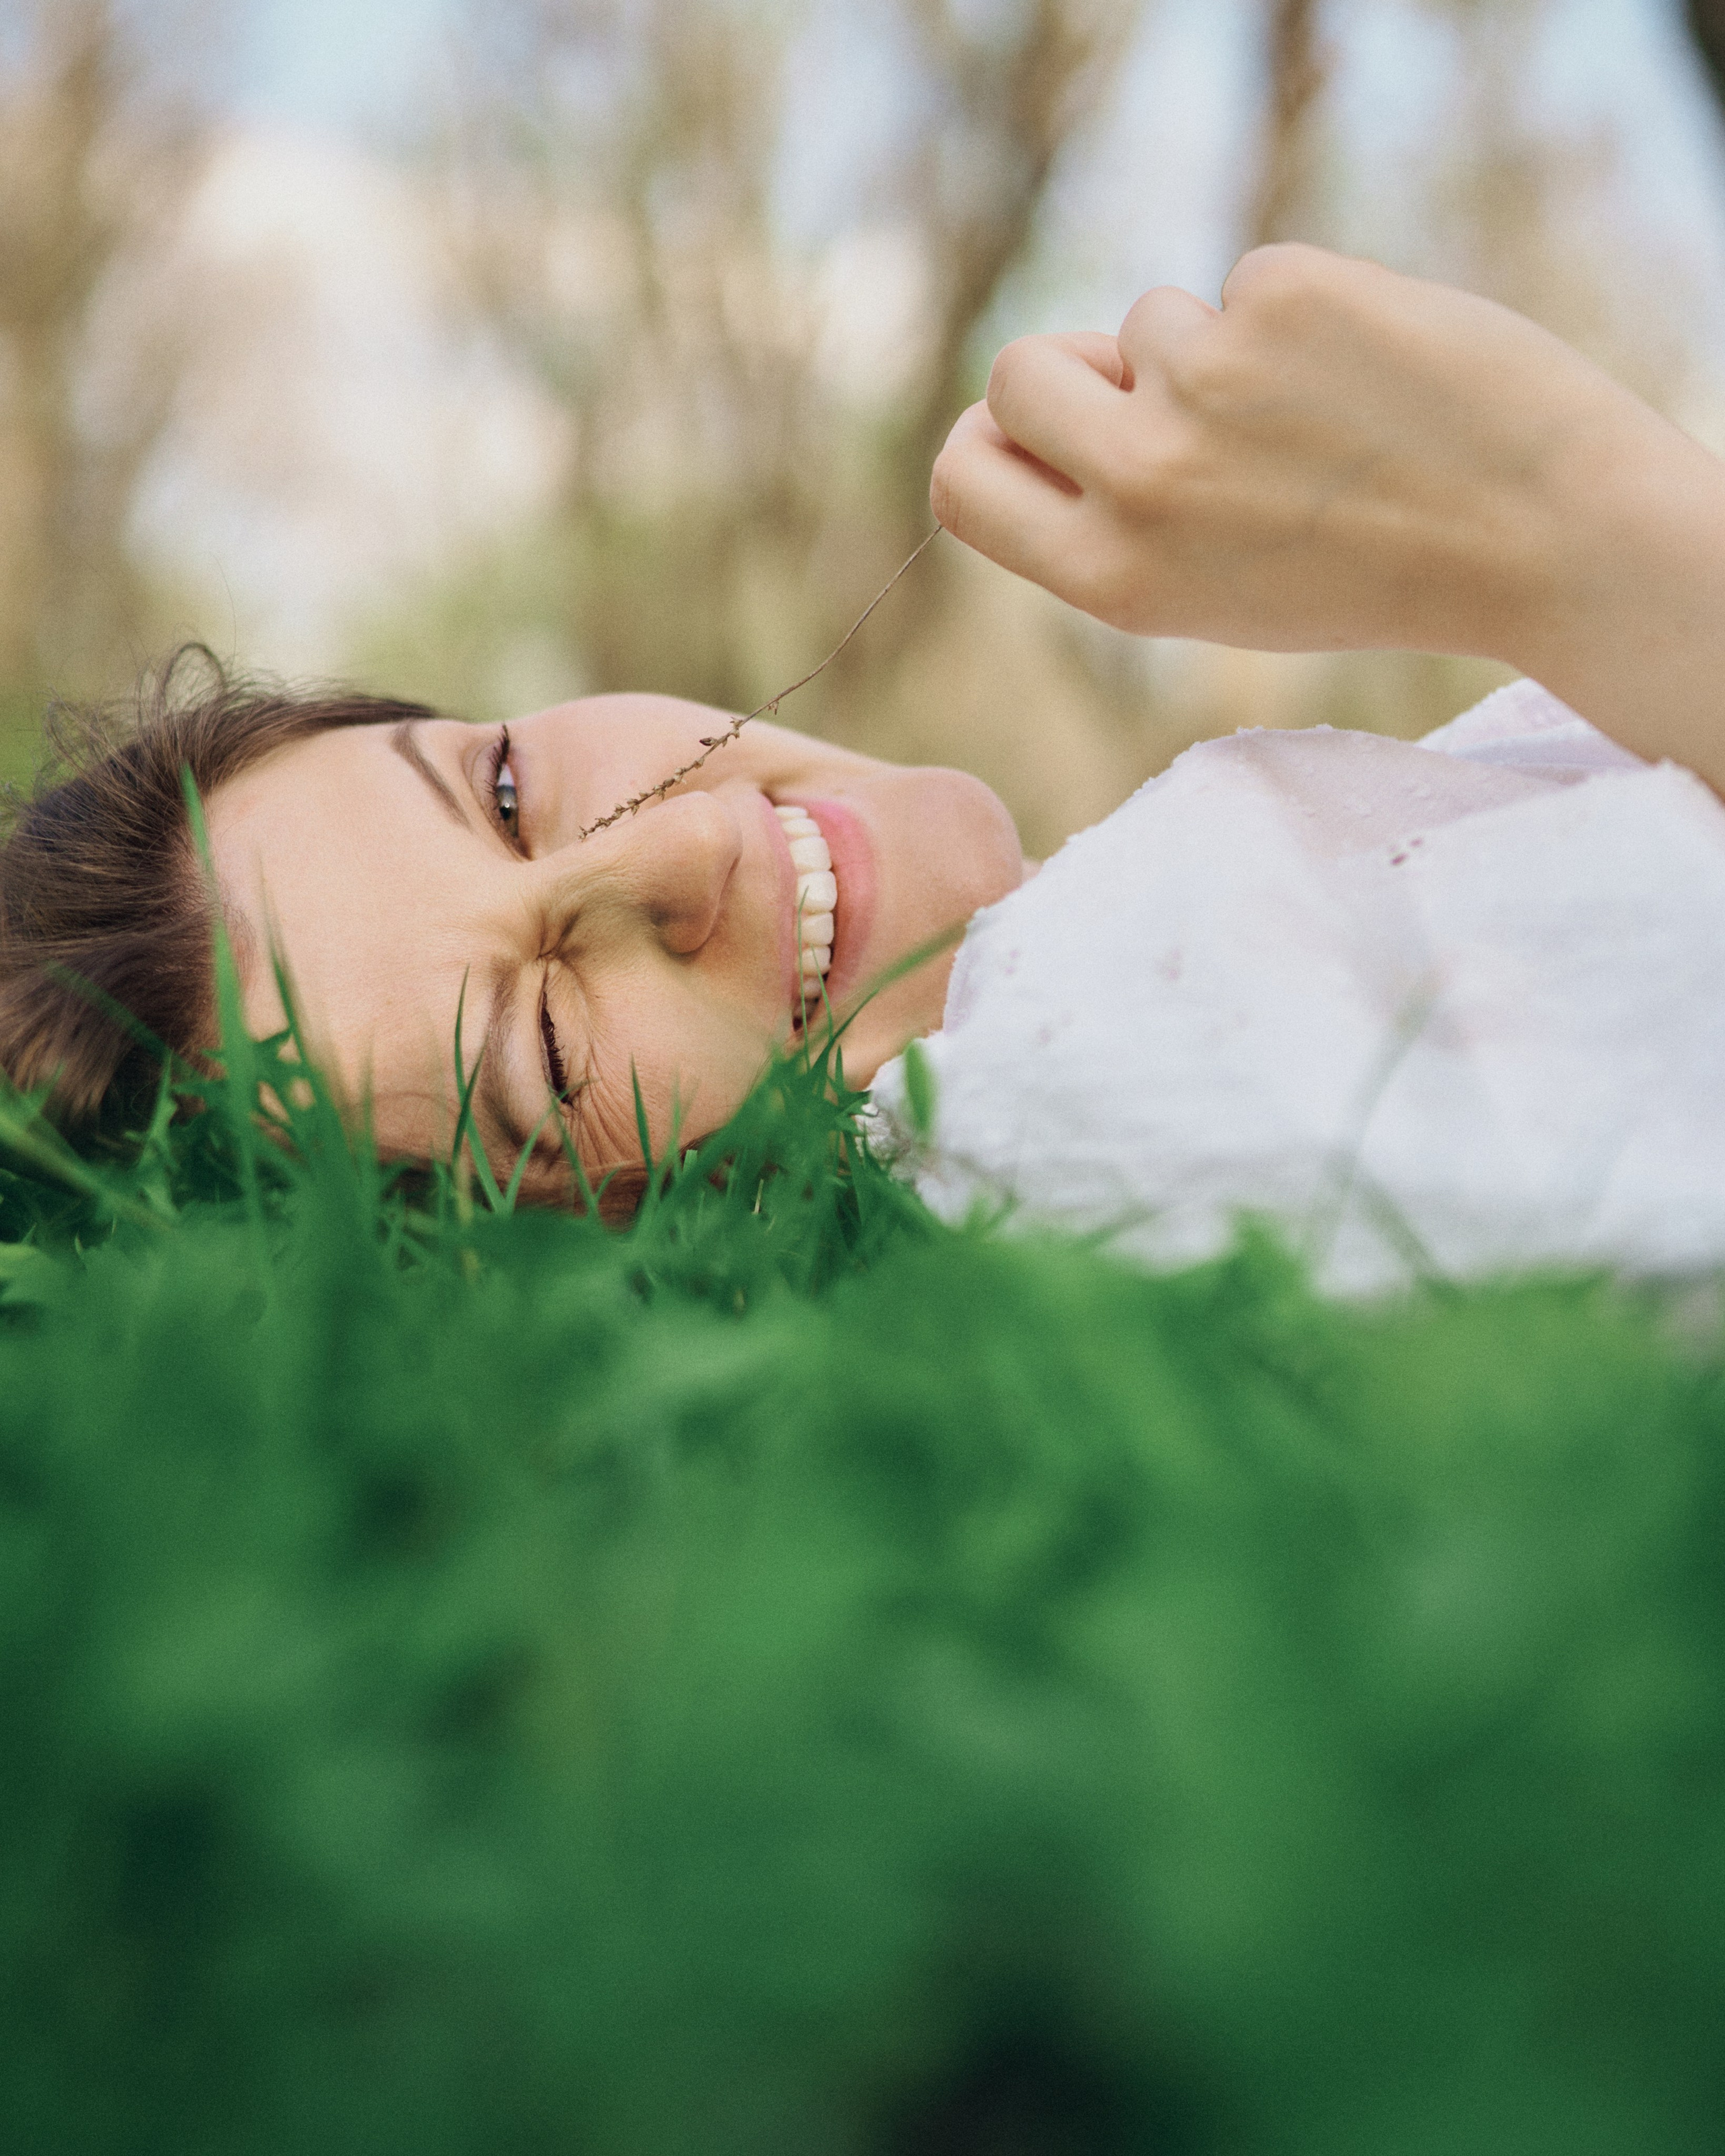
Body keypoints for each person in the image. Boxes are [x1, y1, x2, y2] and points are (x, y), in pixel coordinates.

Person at [4, 243, 1725, 1269]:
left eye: (507, 791)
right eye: (540, 1043)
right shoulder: (1084, 1116)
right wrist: (1548, 528)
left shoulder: (1171, 925)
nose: (673, 858)